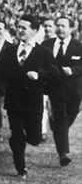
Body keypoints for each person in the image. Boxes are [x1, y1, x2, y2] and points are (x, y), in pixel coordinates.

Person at [0, 15, 58, 179]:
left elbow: (54, 73)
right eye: (18, 27)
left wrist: (38, 74)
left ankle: (25, 139)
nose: (20, 30)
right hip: (14, 101)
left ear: (34, 31)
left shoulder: (43, 52)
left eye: (24, 28)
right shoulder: (9, 51)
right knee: (17, 135)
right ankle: (21, 168)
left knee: (34, 138)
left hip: (33, 101)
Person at [42, 16, 82, 167]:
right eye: (58, 25)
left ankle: (56, 126)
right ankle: (64, 153)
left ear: (71, 28)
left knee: (67, 118)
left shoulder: (78, 46)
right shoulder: (46, 45)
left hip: (74, 91)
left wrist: (73, 70)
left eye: (63, 26)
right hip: (54, 89)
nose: (60, 29)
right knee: (61, 119)